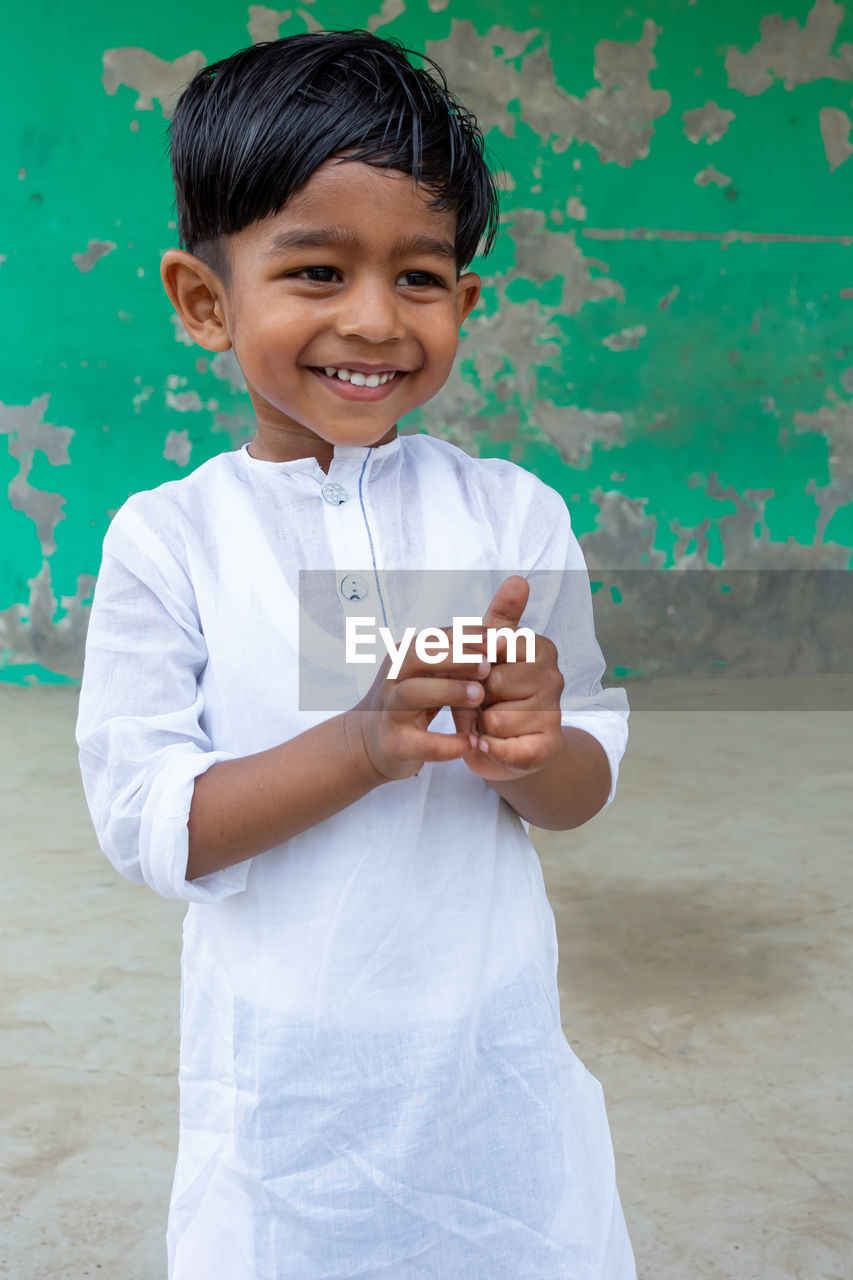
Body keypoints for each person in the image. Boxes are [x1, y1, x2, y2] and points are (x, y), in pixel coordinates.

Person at [75, 29, 636, 1280]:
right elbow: (153, 822)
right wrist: (363, 742)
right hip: (286, 1093)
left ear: (465, 301)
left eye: (421, 277)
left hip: (493, 1074)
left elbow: (584, 774)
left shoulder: (514, 517)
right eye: (318, 270)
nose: (374, 320)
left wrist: (535, 745)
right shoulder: (172, 542)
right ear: (205, 300)